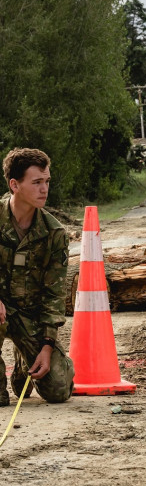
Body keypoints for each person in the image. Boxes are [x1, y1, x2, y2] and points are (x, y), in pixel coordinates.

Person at [0, 148, 74, 405]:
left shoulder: (54, 233)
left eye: (47, 182)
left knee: (58, 390)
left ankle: (24, 359)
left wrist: (46, 346)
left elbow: (54, 295)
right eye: (37, 182)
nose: (44, 189)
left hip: (29, 317)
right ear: (15, 185)